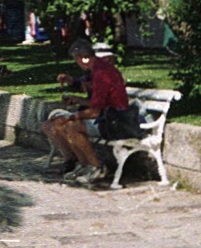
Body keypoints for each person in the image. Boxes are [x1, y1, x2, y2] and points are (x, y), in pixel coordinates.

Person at [40, 38, 138, 186]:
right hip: (109, 117)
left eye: (76, 60)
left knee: (71, 126)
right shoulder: (96, 70)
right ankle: (83, 165)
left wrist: (70, 117)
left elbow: (95, 111)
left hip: (117, 121)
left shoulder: (101, 73)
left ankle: (97, 167)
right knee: (60, 124)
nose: (77, 63)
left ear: (82, 59)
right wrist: (77, 102)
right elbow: (95, 102)